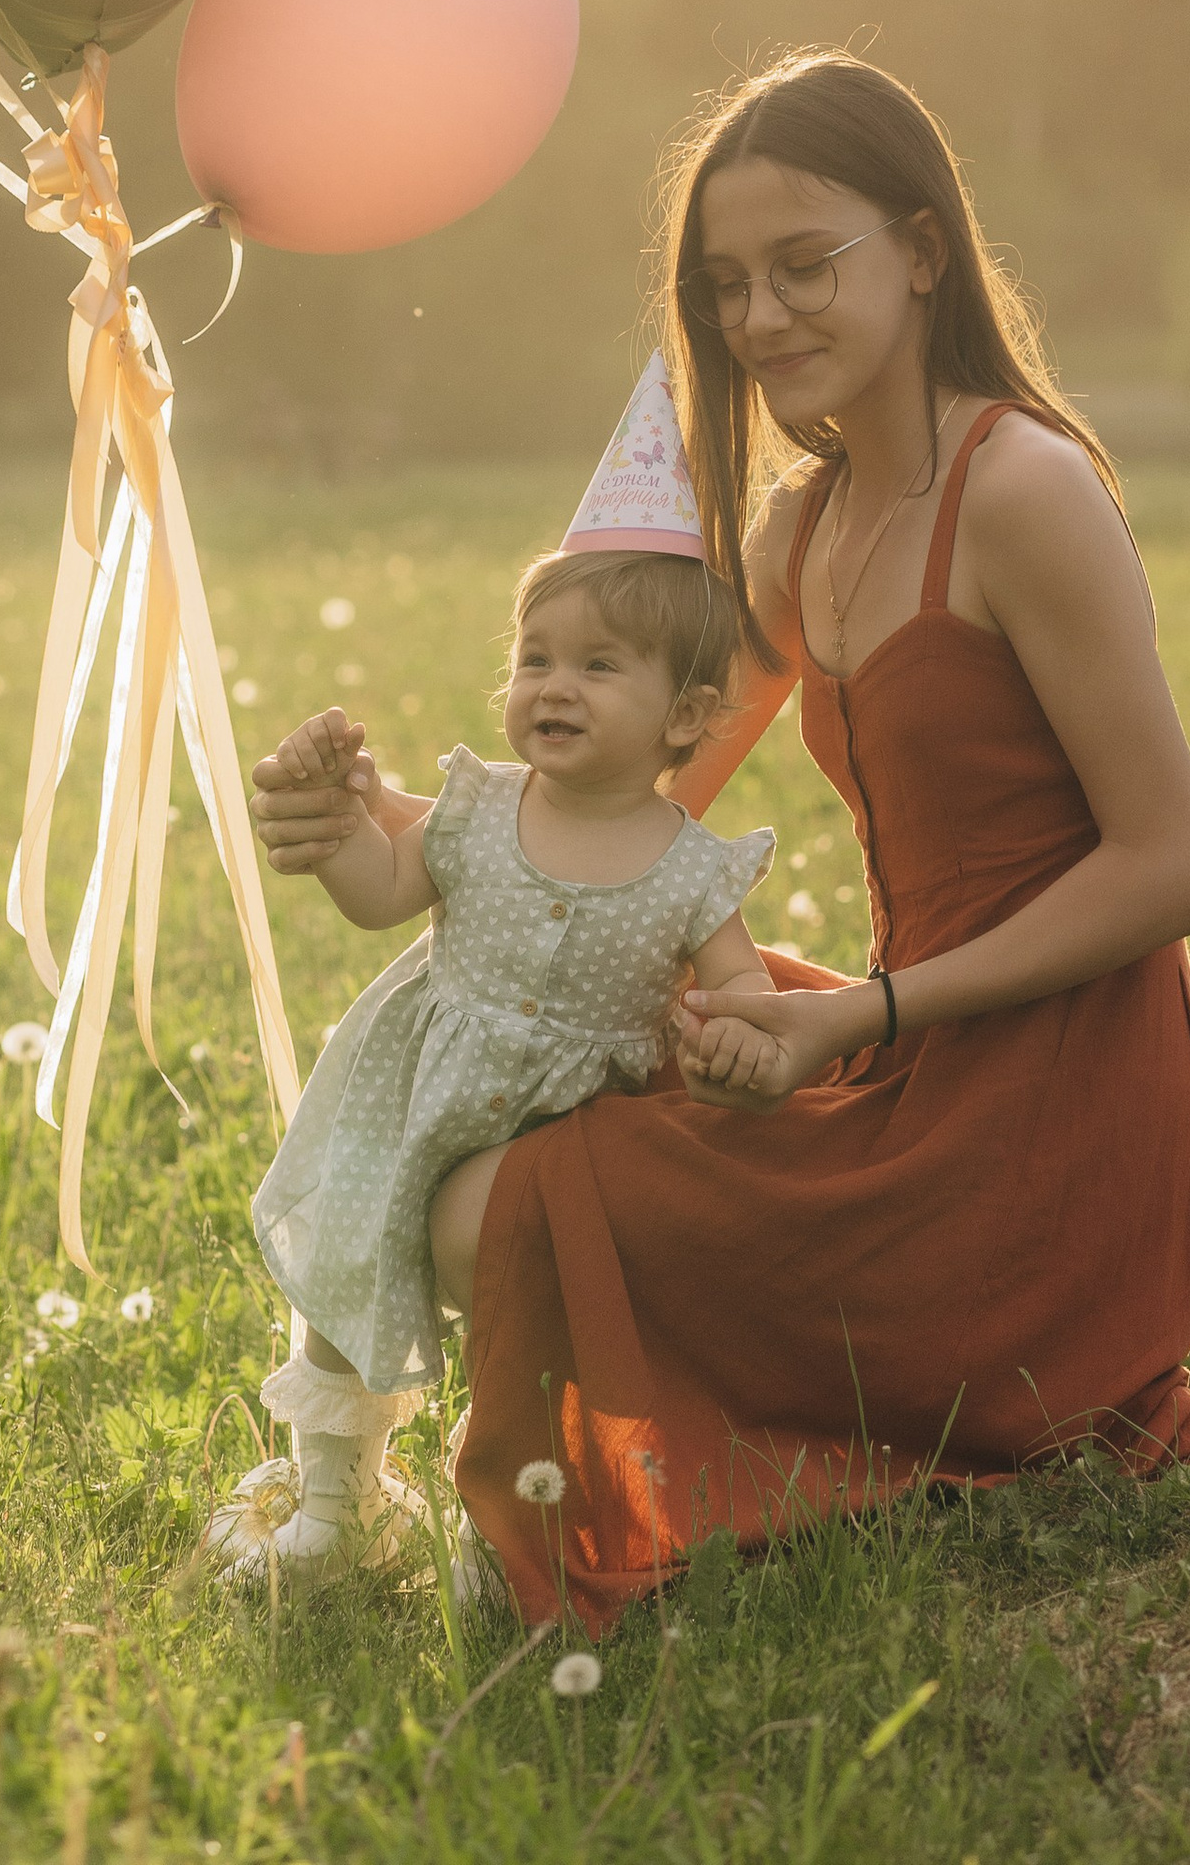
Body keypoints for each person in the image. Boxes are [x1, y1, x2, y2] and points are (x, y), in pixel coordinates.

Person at [249, 48, 1190, 1627]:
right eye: (725, 285)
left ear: (922, 251)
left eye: (802, 264)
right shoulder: (803, 527)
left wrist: (860, 1015)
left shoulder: (1023, 491)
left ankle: (740, 1429)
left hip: (1049, 1118)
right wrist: (375, 817)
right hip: (902, 1053)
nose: (760, 317)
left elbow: (1176, 867)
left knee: (498, 1213)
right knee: (545, 1119)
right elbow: (622, 812)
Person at [208, 391, 775, 1576]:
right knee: (346, 1281)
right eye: (535, 659)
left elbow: (744, 995)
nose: (553, 686)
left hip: (566, 1140)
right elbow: (384, 890)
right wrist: (338, 828)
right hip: (411, 1092)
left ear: (686, 715)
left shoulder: (691, 870)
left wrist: (738, 1039)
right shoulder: (476, 808)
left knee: (534, 1336)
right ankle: (337, 1510)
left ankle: (508, 1518)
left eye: (598, 666)